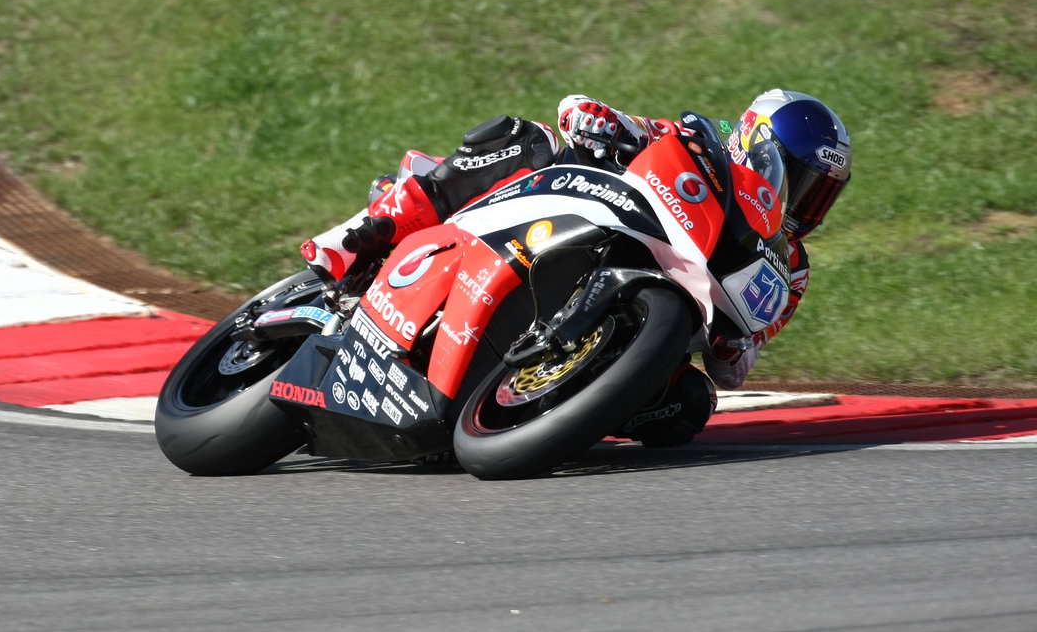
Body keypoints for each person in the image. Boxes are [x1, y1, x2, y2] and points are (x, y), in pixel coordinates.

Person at [300, 89, 852, 447]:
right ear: (758, 149)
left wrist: (734, 346)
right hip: (573, 216)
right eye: (801, 183)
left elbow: (734, 368)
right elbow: (582, 112)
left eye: (820, 194)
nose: (805, 205)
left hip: (654, 304)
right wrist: (597, 122)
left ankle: (556, 409)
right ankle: (356, 240)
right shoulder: (694, 141)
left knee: (689, 406)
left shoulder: (790, 271)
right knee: (524, 138)